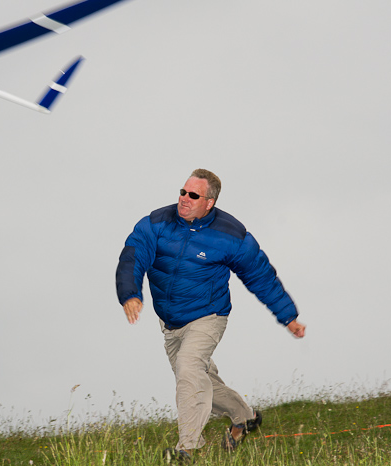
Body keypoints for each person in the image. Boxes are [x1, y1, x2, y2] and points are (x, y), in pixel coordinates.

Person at [116, 169, 306, 461]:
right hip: (170, 321)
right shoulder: (156, 223)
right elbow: (133, 255)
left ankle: (187, 448)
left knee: (189, 371)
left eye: (193, 195)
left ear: (209, 202)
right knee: (199, 378)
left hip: (208, 315)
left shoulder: (231, 235)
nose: (184, 199)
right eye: (182, 192)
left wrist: (288, 316)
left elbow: (261, 276)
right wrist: (130, 293)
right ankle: (245, 417)